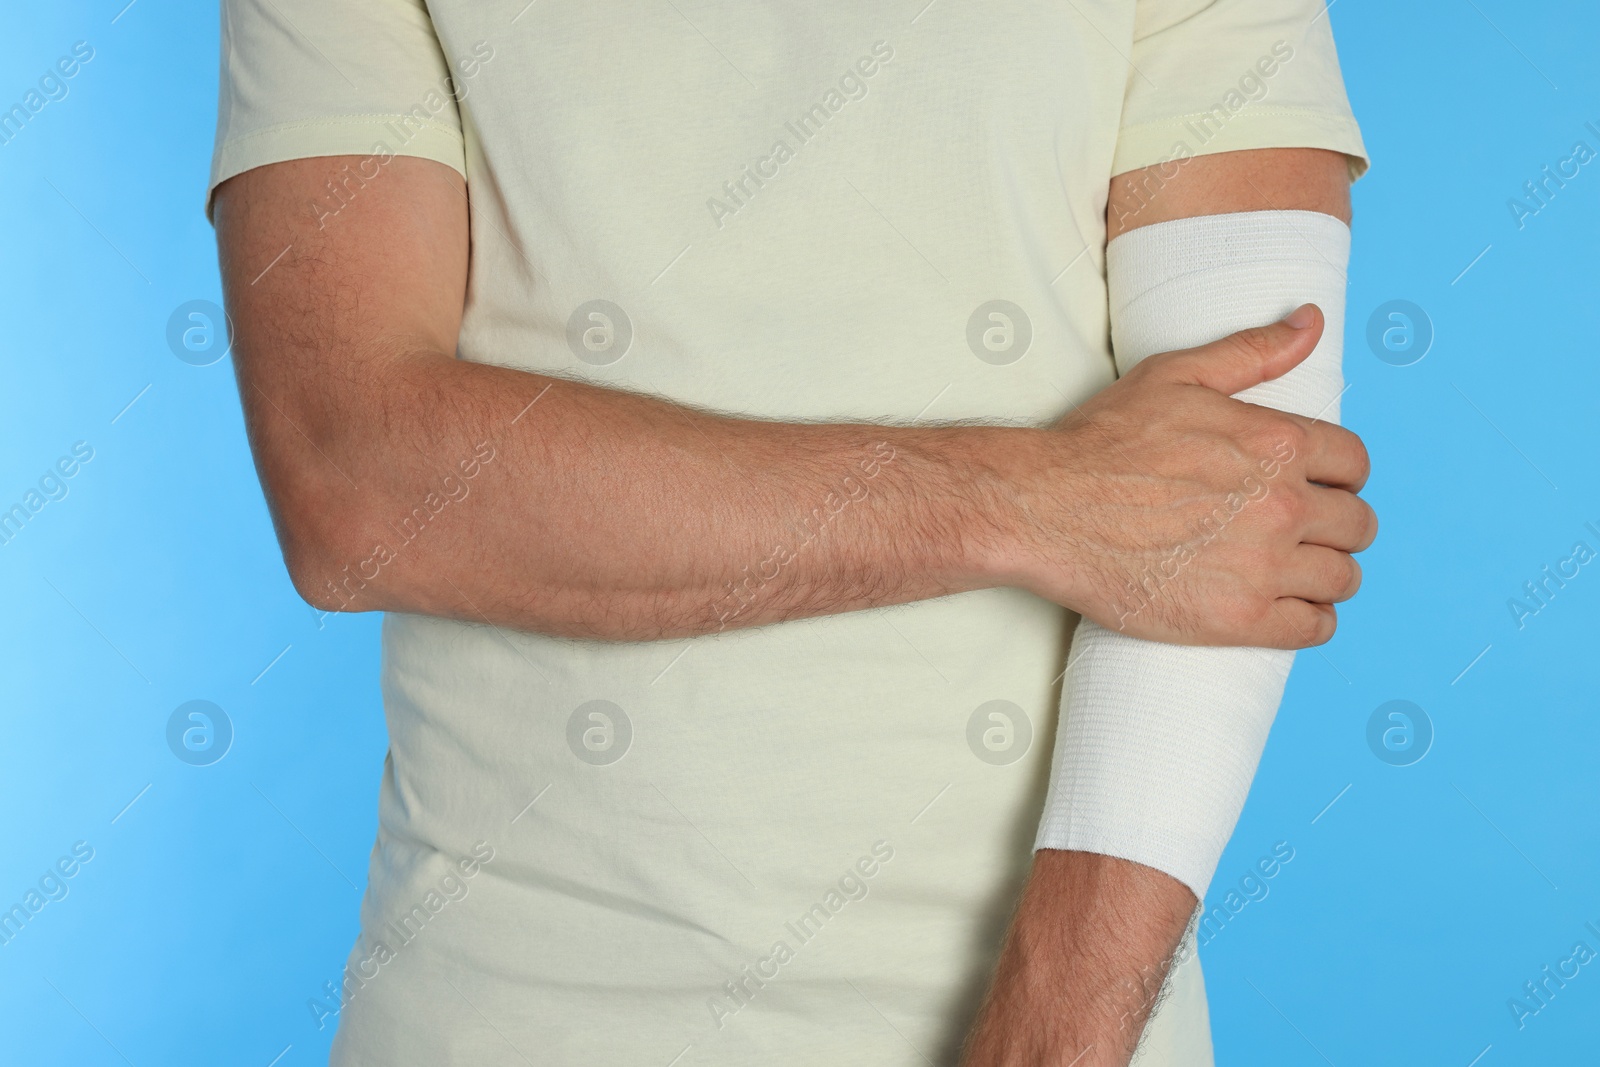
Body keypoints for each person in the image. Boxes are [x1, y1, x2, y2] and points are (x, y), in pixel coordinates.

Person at [208, 1, 1374, 1063]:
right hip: (505, 1007)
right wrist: (1027, 500)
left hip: (1064, 1024)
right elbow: (355, 477)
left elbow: (1218, 515)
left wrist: (1053, 1036)